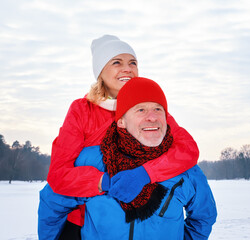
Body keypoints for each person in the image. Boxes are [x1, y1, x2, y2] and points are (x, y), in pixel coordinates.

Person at [38, 35, 199, 240]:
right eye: (117, 62)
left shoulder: (150, 109)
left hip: (144, 221)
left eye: (133, 63)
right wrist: (103, 181)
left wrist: (144, 174)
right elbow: (59, 174)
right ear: (100, 71)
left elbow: (187, 150)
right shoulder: (82, 109)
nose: (128, 68)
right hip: (86, 223)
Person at [80, 77, 217, 239]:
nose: (152, 117)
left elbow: (203, 217)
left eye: (158, 109)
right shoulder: (90, 160)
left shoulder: (186, 170)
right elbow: (57, 204)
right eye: (141, 110)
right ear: (121, 122)